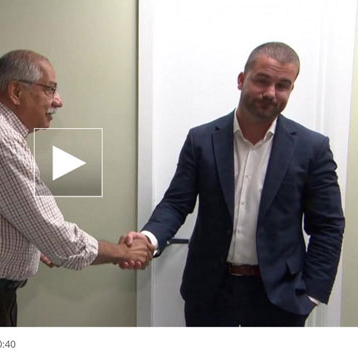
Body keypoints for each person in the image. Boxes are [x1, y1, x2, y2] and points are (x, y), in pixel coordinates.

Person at [0, 50, 154, 327]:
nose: (58, 101)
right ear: (16, 91)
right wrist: (122, 252)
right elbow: (58, 238)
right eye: (50, 89)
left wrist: (29, 245)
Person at [121, 42, 344, 326]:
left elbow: (328, 226)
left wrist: (311, 293)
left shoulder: (313, 148)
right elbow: (176, 203)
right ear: (242, 80)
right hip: (209, 292)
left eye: (282, 85)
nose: (270, 93)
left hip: (279, 297)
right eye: (262, 80)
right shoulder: (201, 140)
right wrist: (149, 239)